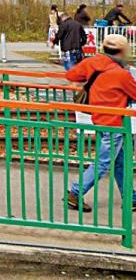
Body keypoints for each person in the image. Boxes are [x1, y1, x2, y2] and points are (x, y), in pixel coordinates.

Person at [64, 35, 136, 212]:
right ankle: (75, 192)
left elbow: (71, 74)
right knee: (103, 163)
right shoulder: (121, 74)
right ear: (122, 51)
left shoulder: (93, 62)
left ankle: (131, 198)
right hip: (115, 124)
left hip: (99, 120)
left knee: (120, 162)